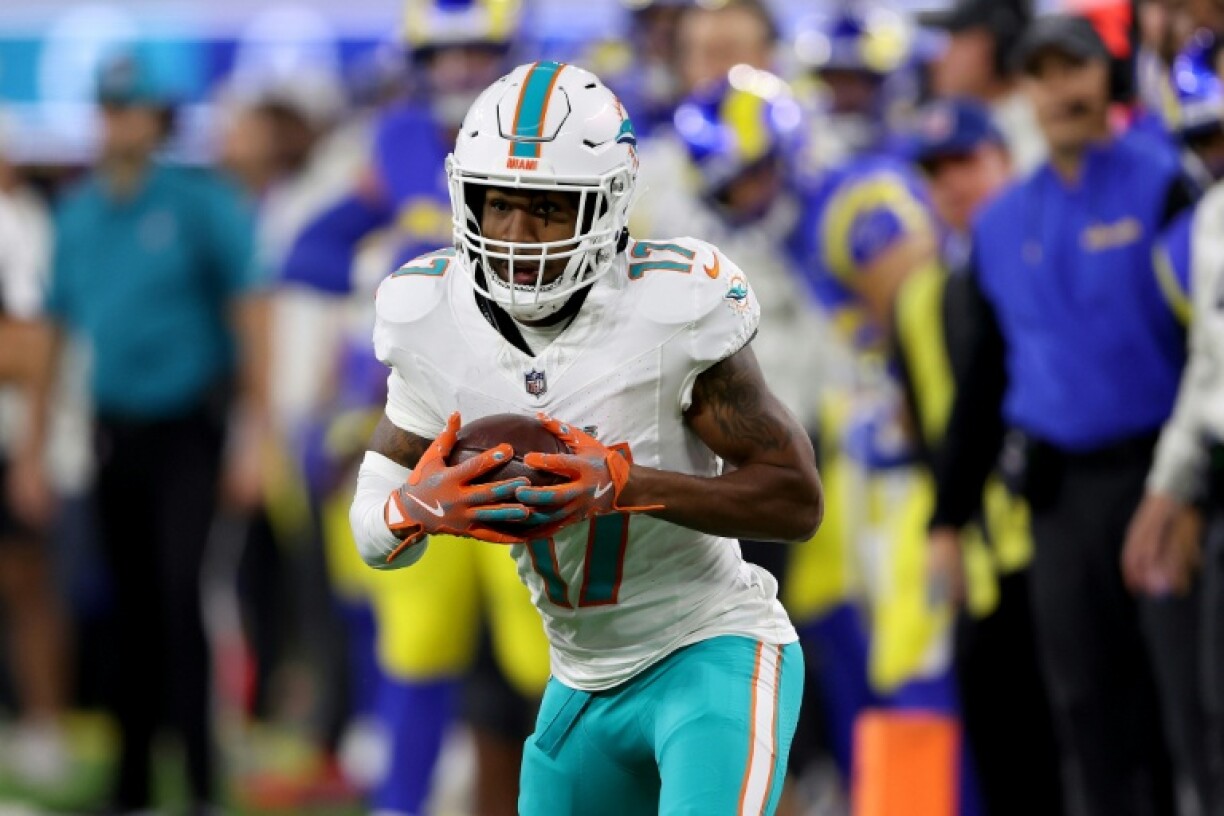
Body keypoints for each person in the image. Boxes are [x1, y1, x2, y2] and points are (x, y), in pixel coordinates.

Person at [349, 60, 822, 816]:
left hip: (710, 648)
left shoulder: (672, 307)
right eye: (497, 204)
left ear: (608, 205)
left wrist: (631, 487)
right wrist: (416, 509)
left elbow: (797, 501)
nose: (516, 234)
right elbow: (371, 522)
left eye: (547, 208)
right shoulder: (429, 314)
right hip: (580, 676)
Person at [926, 16, 1206, 816]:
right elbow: (982, 385)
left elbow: (1205, 351)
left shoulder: (1165, 181)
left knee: (1190, 705)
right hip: (1061, 501)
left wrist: (1194, 489)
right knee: (1090, 712)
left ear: (1105, 77)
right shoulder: (1002, 225)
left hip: (1163, 480)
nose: (1062, 91)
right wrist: (949, 517)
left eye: (1075, 69)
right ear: (1024, 91)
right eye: (1043, 75)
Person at [284, 3, 553, 814]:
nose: (462, 71)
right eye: (446, 55)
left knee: (556, 656)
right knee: (418, 648)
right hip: (428, 432)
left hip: (528, 426)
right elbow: (309, 249)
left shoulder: (554, 142)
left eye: (480, 51)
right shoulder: (400, 139)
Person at [15, 50, 267, 814]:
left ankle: (196, 781)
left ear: (159, 118)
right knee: (123, 605)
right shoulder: (81, 212)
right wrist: (31, 447)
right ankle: (128, 785)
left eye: (135, 109)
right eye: (112, 108)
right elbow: (52, 337)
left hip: (190, 425)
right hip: (112, 429)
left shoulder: (197, 201)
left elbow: (249, 311)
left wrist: (256, 433)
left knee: (179, 594)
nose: (122, 122)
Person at [895, 97, 1062, 816]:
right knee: (1004, 763)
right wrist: (946, 526)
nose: (951, 184)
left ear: (1005, 159)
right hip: (976, 556)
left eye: (965, 162)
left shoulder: (1042, 253)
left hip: (1053, 535)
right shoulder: (922, 295)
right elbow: (938, 430)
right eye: (936, 171)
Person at [0, 122, 70, 788]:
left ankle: (45, 727)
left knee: (27, 585)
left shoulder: (16, 224)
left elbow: (28, 346)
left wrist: (31, 452)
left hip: (10, 436)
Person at [919, 0, 1045, 173]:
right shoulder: (973, 116)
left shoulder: (1042, 132)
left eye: (954, 42)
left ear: (987, 46)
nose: (937, 60)